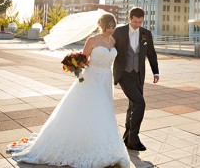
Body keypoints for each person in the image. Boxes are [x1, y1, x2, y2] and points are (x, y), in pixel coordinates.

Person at [8, 13, 130, 168]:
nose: (111, 30)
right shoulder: (92, 40)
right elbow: (83, 59)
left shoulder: (112, 41)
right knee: (91, 110)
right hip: (92, 78)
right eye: (108, 27)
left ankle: (103, 143)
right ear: (102, 26)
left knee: (105, 111)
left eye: (113, 27)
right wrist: (75, 65)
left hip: (106, 78)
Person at [112, 7, 159, 151]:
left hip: (138, 75)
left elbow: (151, 54)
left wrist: (155, 72)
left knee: (133, 105)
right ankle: (134, 137)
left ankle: (127, 138)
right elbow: (108, 47)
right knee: (140, 103)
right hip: (124, 74)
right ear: (129, 18)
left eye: (140, 22)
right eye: (135, 22)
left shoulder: (146, 34)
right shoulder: (119, 31)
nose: (137, 25)